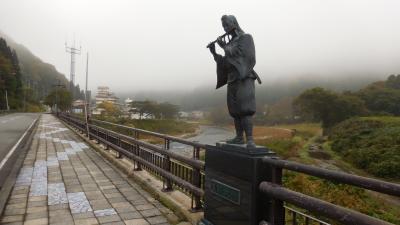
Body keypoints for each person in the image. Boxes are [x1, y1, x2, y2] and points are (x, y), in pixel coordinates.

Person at [208, 15, 261, 148]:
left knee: (245, 108)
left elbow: (244, 57)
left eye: (227, 25)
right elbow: (227, 62)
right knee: (235, 110)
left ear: (234, 23)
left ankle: (250, 139)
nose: (225, 28)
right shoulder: (230, 43)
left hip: (244, 77)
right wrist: (215, 53)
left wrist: (224, 46)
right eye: (223, 26)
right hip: (232, 79)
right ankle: (238, 137)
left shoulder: (246, 38)